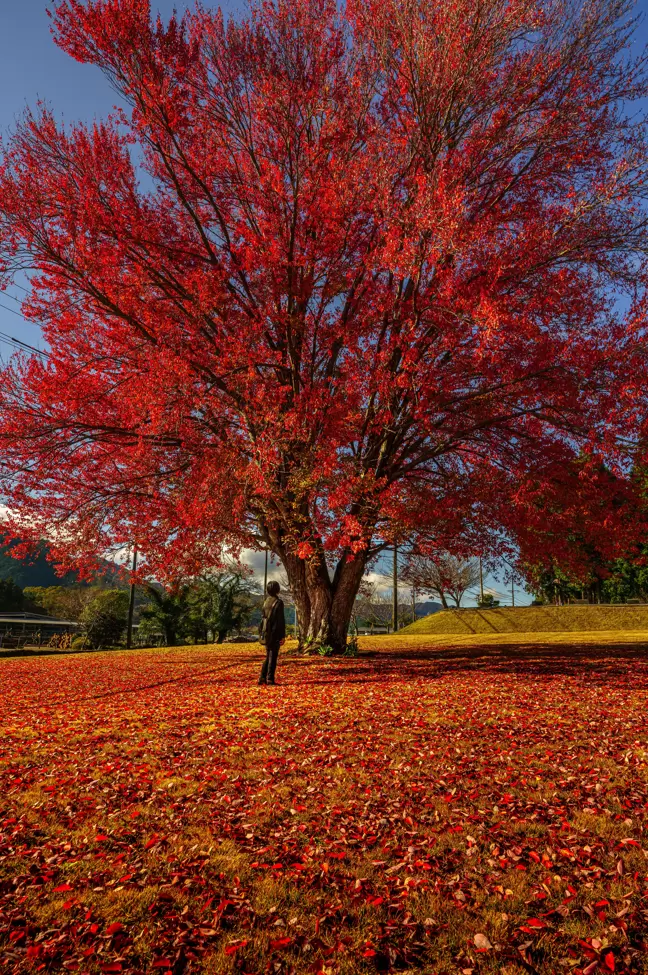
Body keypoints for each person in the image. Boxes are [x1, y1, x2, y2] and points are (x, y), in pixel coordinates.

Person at [258, 580, 286, 685]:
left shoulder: (266, 601)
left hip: (266, 632)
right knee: (273, 656)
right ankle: (270, 678)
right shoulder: (278, 602)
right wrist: (282, 636)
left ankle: (262, 677)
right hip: (275, 632)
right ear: (278, 590)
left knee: (268, 655)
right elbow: (280, 620)